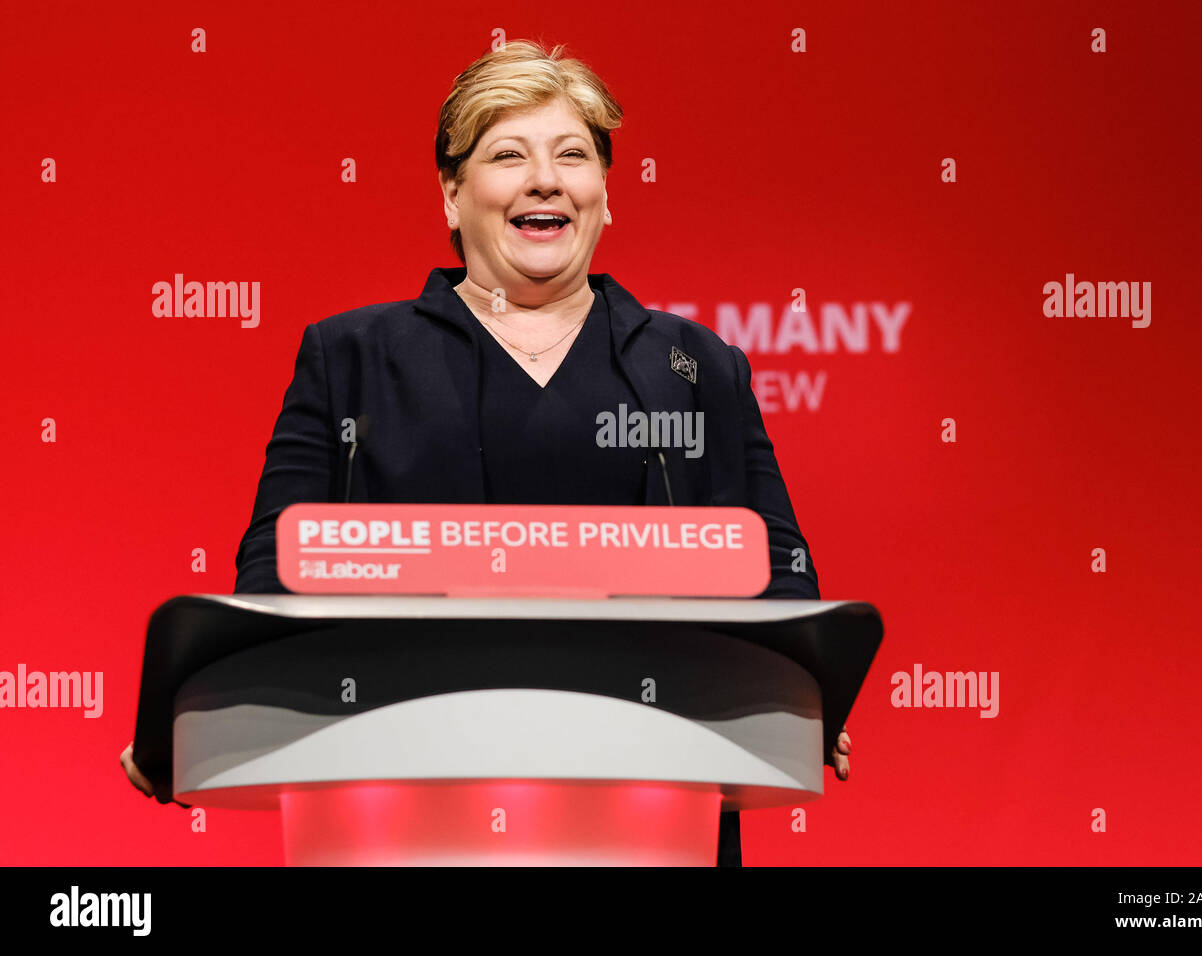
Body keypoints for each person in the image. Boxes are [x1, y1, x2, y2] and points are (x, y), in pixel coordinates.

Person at [120, 38, 851, 866]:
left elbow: (781, 567)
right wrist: (202, 705)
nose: (546, 179)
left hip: (652, 797)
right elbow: (271, 572)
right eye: (509, 154)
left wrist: (808, 691)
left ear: (605, 195)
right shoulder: (352, 356)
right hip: (397, 799)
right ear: (451, 192)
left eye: (573, 155)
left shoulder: (696, 366)